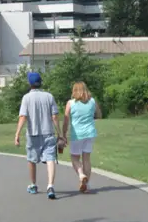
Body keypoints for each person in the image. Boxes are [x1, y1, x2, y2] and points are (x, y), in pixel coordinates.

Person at [14, 71, 62, 199]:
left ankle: (33, 184)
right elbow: (55, 116)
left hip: (33, 133)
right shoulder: (49, 96)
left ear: (29, 83)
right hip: (48, 132)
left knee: (32, 159)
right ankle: (50, 185)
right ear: (40, 82)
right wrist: (60, 133)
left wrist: (17, 134)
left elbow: (23, 117)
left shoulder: (26, 98)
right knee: (50, 158)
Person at [63, 81, 102, 193]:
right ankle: (87, 185)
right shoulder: (92, 101)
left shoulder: (70, 103)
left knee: (74, 158)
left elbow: (66, 120)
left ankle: (81, 175)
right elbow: (98, 114)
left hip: (77, 134)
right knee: (86, 159)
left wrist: (64, 134)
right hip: (90, 133)